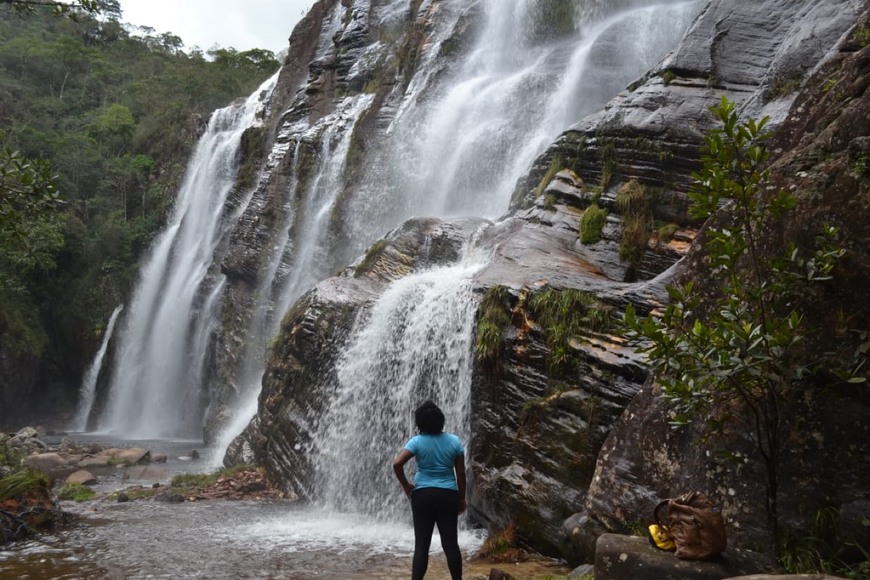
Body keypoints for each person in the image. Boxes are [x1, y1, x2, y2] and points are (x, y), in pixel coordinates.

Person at [393, 400, 467, 580]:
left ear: (420, 423)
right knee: (451, 545)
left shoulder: (416, 442)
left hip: (423, 496)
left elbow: (397, 464)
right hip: (448, 495)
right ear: (441, 420)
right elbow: (461, 473)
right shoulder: (454, 441)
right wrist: (462, 498)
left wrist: (406, 485)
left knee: (421, 546)